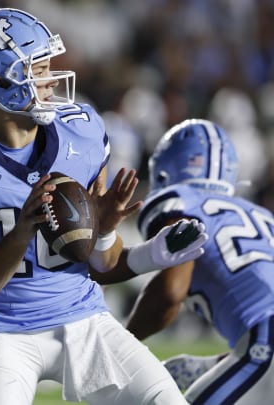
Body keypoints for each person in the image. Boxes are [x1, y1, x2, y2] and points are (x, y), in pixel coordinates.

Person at [0, 8, 208, 405]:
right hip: (5, 333)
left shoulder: (82, 131)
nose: (51, 78)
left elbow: (102, 264)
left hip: (86, 319)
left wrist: (104, 229)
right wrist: (22, 231)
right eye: (37, 69)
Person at [125, 118, 274, 404]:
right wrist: (216, 365)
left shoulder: (182, 202)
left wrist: (118, 344)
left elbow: (170, 292)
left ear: (165, 171)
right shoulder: (261, 216)